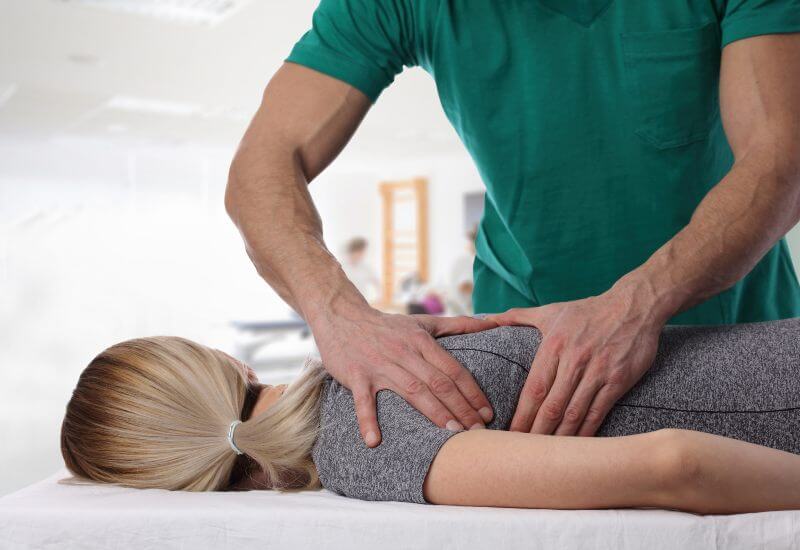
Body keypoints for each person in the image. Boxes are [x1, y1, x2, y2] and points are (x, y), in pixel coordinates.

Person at [224, 2, 800, 448]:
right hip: (519, 349)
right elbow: (262, 166)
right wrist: (338, 316)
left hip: (735, 329)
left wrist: (638, 303)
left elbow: (782, 159)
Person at [61, 316, 800, 513]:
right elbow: (672, 462)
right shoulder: (367, 392)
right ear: (224, 366)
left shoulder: (362, 437)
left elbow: (678, 465)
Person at [340, 237, 380, 303]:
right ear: (353, 251)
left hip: (361, 303)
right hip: (345, 302)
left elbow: (376, 282)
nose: (362, 254)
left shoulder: (365, 268)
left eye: (363, 252)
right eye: (360, 252)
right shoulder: (342, 266)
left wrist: (379, 298)